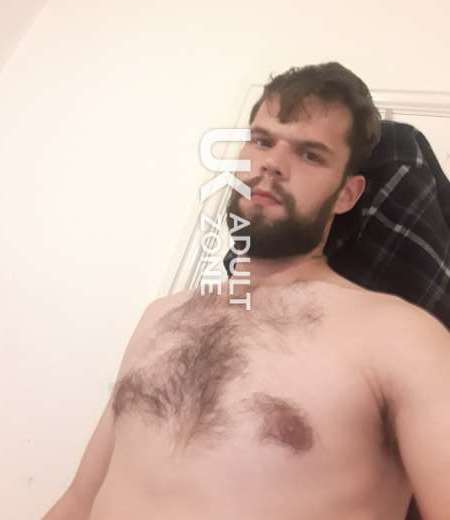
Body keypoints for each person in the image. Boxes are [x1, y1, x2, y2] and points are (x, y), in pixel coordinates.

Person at [43, 63, 450, 520]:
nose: (271, 163)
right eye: (261, 141)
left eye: (310, 154)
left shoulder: (401, 337)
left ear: (347, 195)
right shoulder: (160, 318)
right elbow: (78, 500)